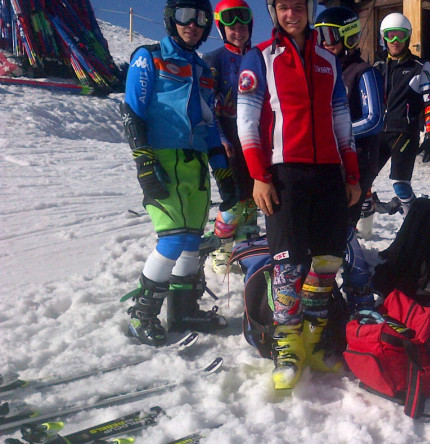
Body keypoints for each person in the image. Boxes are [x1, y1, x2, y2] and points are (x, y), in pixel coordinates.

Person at [236, 0, 360, 390]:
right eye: (284, 7)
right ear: (274, 11)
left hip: (328, 174)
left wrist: (352, 174)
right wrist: (259, 176)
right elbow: (247, 121)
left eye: (299, 6)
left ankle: (313, 337)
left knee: (326, 261)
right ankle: (287, 346)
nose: (293, 14)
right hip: (283, 172)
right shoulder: (260, 58)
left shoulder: (327, 56)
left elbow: (342, 119)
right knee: (288, 265)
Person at [120, 0, 235, 346]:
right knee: (171, 239)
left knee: (189, 240)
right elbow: (132, 113)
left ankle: (183, 310)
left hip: (195, 163)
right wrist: (144, 165)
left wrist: (223, 172)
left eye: (201, 19)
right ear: (171, 20)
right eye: (185, 16)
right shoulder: (149, 57)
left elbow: (209, 124)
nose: (193, 25)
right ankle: (143, 312)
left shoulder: (203, 70)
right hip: (163, 160)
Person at [313, 6, 384, 313]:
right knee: (329, 226)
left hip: (357, 161)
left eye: (330, 35)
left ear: (349, 37)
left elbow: (374, 118)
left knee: (341, 227)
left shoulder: (362, 71)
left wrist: (333, 133)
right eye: (318, 36)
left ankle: (360, 289)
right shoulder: (322, 69)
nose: (324, 42)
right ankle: (333, 292)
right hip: (329, 163)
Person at [363, 12, 430, 229]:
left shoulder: (418, 66)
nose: (395, 41)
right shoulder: (377, 67)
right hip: (378, 132)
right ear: (383, 38)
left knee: (400, 184)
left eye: (401, 36)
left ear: (408, 38)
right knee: (362, 179)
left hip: (405, 132)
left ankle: (415, 227)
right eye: (390, 36)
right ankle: (364, 231)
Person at [203, 0, 260, 274]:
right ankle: (222, 246)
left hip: (255, 137)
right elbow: (205, 104)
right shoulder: (213, 60)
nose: (238, 31)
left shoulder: (259, 56)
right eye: (231, 27)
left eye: (242, 26)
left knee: (252, 198)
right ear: (221, 29)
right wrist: (219, 137)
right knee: (233, 200)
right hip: (227, 137)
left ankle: (247, 246)